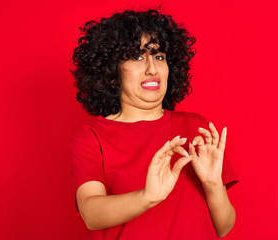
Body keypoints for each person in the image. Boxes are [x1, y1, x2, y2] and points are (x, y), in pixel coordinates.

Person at [70, 9, 238, 240]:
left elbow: (224, 227)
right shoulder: (92, 136)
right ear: (112, 69)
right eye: (137, 57)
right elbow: (91, 213)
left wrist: (213, 184)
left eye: (159, 56)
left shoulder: (196, 128)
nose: (152, 68)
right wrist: (147, 196)